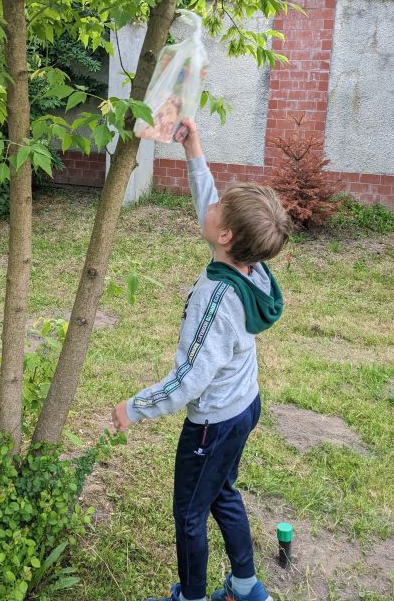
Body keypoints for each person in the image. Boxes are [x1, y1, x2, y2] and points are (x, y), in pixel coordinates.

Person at [112, 119, 292, 601]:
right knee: (222, 494)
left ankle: (190, 597)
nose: (208, 206)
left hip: (212, 423)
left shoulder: (217, 299)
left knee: (190, 513)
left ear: (227, 235)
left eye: (218, 210)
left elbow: (190, 379)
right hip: (243, 406)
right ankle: (246, 586)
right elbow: (208, 205)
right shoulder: (251, 270)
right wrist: (193, 148)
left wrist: (136, 406)